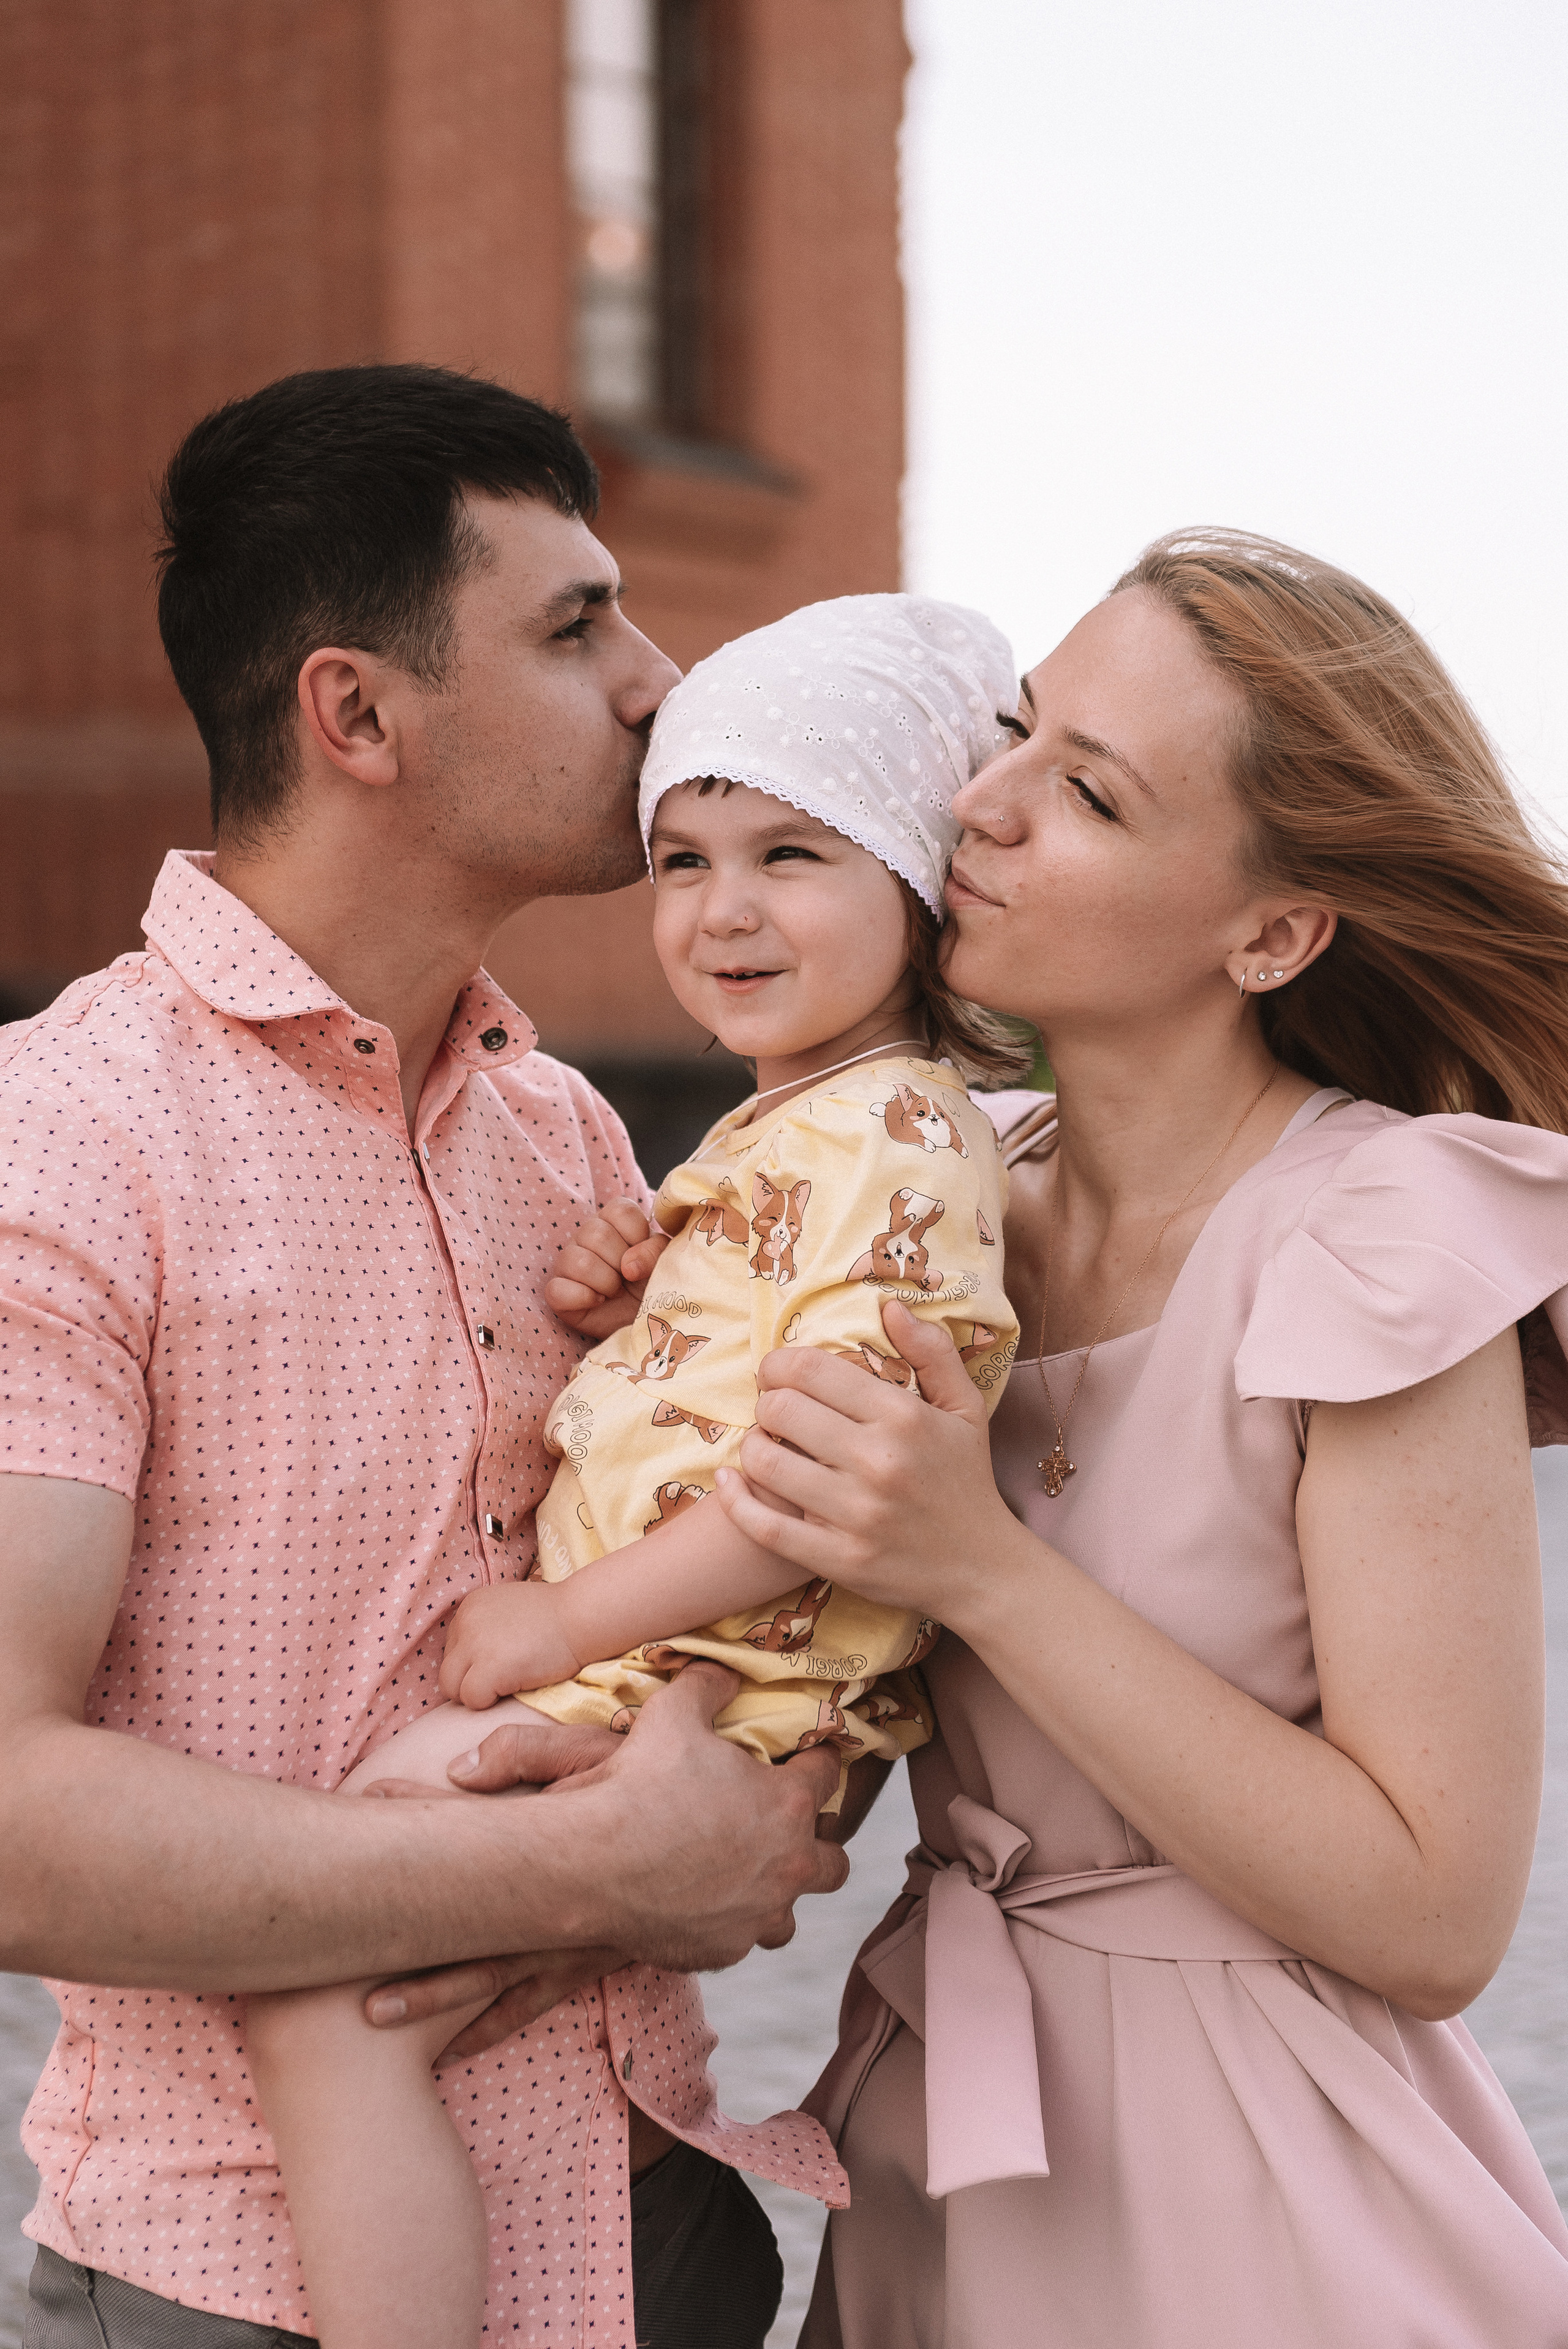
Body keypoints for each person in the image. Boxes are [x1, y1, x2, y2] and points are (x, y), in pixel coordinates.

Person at [0, 363, 851, 2349]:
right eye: (575, 627)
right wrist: (593, 1868)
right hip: (247, 2282)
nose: (662, 681)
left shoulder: (571, 1138)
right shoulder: (61, 1134)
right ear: (355, 712)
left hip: (662, 2236)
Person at [710, 530, 1568, 2347]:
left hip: (1276, 2214)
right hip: (944, 2155)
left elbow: (1438, 1911)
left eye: (1086, 792)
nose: (986, 804)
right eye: (1014, 733)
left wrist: (982, 1567)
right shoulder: (932, 1187)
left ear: (1273, 930)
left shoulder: (1373, 1239)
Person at [241, 592, 1028, 2349]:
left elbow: (827, 1483)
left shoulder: (899, 1137)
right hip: (685, 1669)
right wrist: (636, 1309)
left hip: (694, 1680)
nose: (724, 907)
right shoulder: (805, 1124)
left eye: (793, 852)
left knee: (320, 1995)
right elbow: (716, 1402)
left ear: (916, 884)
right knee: (369, 1985)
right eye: (681, 857)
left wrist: (564, 1614)